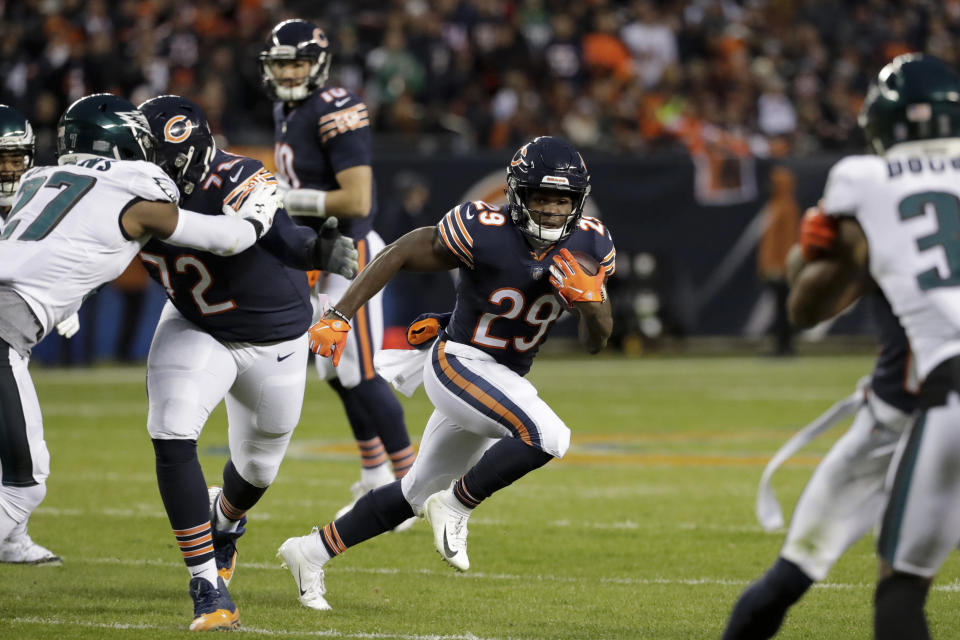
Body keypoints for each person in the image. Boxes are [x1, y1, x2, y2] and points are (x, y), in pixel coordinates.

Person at [277, 136, 615, 610]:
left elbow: (598, 341)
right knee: (548, 435)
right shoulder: (486, 228)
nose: (553, 211)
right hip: (458, 362)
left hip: (503, 376)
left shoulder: (591, 243)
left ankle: (309, 552)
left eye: (563, 201)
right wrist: (340, 313)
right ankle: (458, 505)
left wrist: (591, 301)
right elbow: (402, 249)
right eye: (542, 198)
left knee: (413, 492)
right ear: (518, 196)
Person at [0, 91, 277, 608]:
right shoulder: (133, 187)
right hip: (3, 335)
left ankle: (14, 542)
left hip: (12, 321)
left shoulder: (37, 180)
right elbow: (223, 238)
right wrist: (257, 217)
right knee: (24, 486)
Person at [137, 95, 358, 631]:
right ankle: (208, 589)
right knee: (171, 429)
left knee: (258, 468)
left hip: (275, 337)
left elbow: (278, 236)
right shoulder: (127, 186)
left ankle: (225, 523)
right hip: (197, 325)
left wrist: (312, 252)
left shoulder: (240, 176)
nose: (147, 170)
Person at [782, 53, 960, 640]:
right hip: (913, 400)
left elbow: (803, 304)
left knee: (901, 583)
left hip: (931, 399)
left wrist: (814, 248)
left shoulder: (867, 181)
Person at [260, 19, 416, 516]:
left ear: (318, 65)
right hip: (319, 254)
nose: (287, 73)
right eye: (280, 63)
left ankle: (414, 487)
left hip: (351, 254)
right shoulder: (289, 107)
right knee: (334, 371)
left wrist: (285, 197)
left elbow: (357, 198)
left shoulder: (334, 108)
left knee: (363, 371)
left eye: (296, 63)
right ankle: (374, 472)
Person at [721, 292, 914, 639]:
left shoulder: (878, 238)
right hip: (899, 426)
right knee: (903, 586)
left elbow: (806, 307)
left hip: (895, 424)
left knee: (795, 573)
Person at [0, 103, 65, 565]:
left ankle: (12, 539)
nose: (8, 167)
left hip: (14, 334)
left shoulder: (37, 197)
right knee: (28, 466)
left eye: (15, 156)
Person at [756, 166, 800, 356]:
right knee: (778, 308)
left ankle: (785, 346)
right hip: (773, 267)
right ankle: (780, 345)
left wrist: (782, 266)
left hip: (781, 269)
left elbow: (789, 240)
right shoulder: (774, 206)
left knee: (783, 310)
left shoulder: (787, 207)